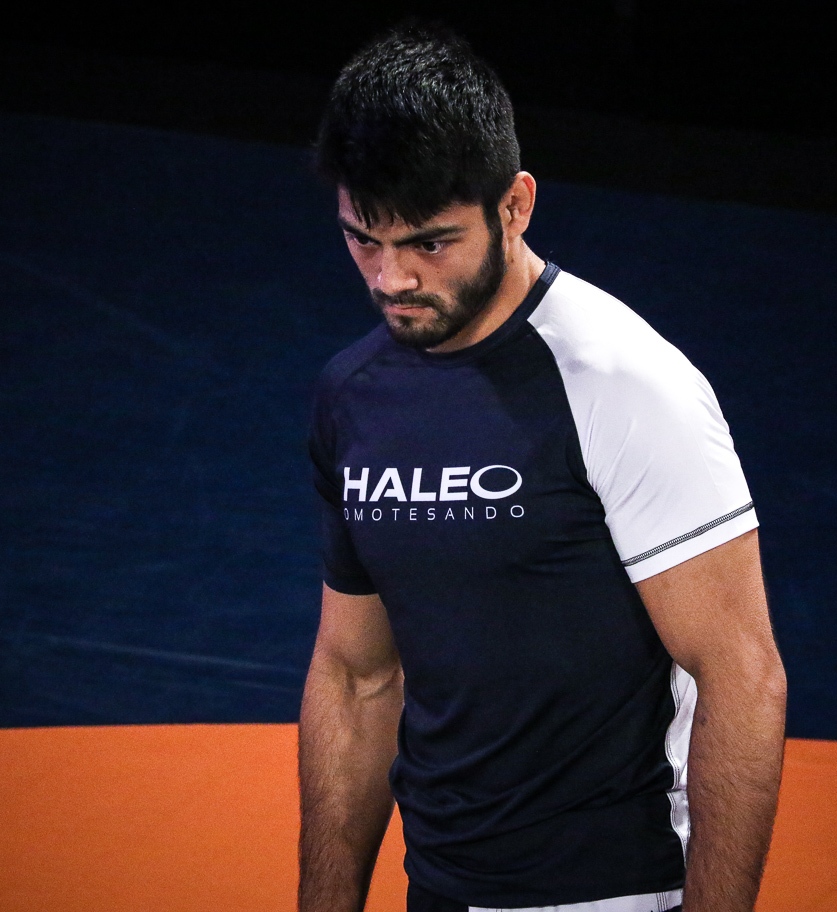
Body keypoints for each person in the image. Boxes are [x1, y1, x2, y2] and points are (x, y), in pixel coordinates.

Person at [299, 23, 786, 912]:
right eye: (364, 240)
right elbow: (356, 675)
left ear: (515, 205)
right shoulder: (354, 394)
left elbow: (740, 674)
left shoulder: (625, 384)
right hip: (439, 886)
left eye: (430, 243)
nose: (392, 279)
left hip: (615, 890)